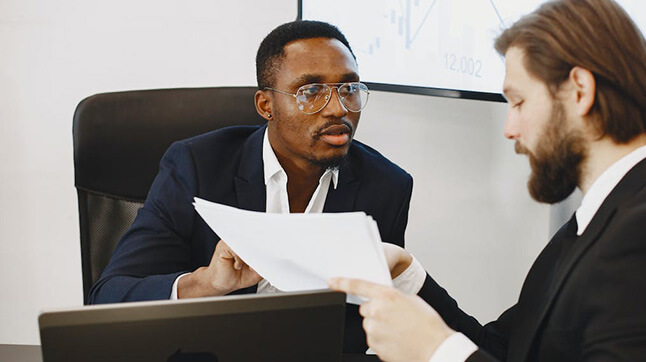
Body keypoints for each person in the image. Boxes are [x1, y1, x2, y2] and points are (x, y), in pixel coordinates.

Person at [330, 0, 646, 360]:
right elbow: (505, 348)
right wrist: (408, 274)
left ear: (579, 91)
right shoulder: (599, 225)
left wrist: (439, 353)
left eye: (517, 101)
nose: (509, 128)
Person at [89, 20, 414, 353]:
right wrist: (207, 283)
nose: (338, 108)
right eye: (311, 91)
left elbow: (371, 319)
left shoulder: (387, 186)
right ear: (266, 105)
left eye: (348, 88)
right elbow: (109, 299)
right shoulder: (196, 167)